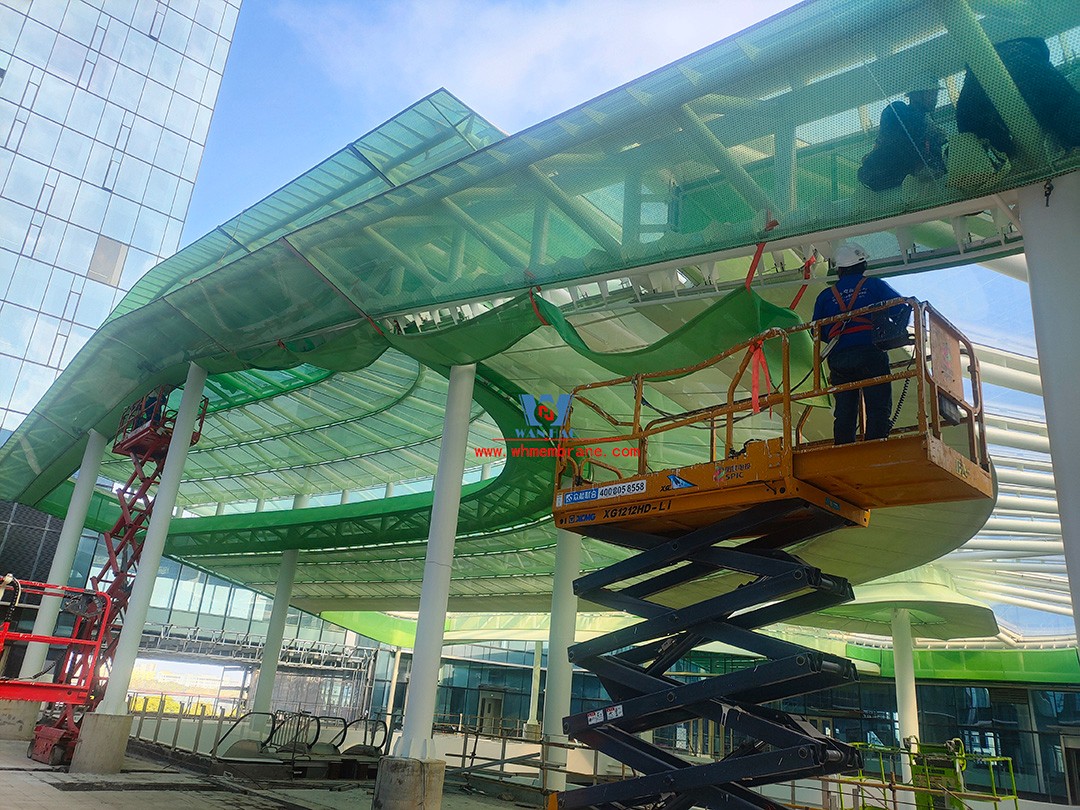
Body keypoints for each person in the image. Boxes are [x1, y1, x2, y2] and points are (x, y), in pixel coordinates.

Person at [812, 243, 904, 445]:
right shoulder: (873, 285)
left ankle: (843, 448)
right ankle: (876, 444)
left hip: (839, 359)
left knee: (844, 410)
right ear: (862, 265)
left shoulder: (826, 296)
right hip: (870, 353)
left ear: (839, 270)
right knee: (878, 405)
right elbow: (901, 307)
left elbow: (816, 331)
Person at [956, 37, 1080, 158]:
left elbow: (966, 124)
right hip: (1051, 130)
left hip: (996, 147)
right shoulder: (1025, 54)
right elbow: (1062, 100)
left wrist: (1008, 152)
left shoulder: (974, 72)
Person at [857, 87, 947, 191]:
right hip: (904, 176)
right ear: (915, 94)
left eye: (935, 94)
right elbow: (890, 140)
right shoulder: (898, 111)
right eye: (930, 93)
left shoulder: (927, 120)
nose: (934, 98)